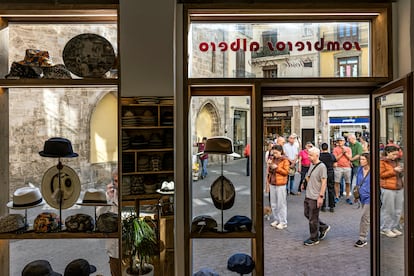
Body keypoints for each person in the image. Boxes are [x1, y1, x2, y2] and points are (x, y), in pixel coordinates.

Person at [302, 147, 330, 246]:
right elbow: (308, 176)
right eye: (308, 154)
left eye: (310, 155)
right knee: (307, 214)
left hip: (315, 196)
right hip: (308, 194)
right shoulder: (311, 164)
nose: (308, 157)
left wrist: (320, 196)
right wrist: (304, 183)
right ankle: (323, 227)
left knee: (313, 218)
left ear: (317, 156)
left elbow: (324, 182)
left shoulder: (322, 167)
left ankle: (314, 238)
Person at [97, 167, 121, 276]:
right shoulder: (109, 195)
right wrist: (108, 200)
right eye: (115, 181)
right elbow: (99, 215)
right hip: (113, 250)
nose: (118, 184)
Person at [380, 145, 404, 238]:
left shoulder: (397, 161)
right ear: (388, 153)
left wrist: (401, 171)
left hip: (398, 187)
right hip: (388, 188)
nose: (395, 156)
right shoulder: (382, 162)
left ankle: (393, 226)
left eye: (396, 154)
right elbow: (381, 175)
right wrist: (394, 171)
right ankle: (385, 228)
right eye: (394, 154)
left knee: (398, 210)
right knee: (388, 209)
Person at [267, 145, 290, 230]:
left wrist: (277, 168)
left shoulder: (285, 160)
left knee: (281, 203)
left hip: (281, 184)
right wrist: (270, 166)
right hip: (273, 182)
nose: (274, 155)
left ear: (280, 152)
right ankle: (276, 219)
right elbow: (270, 171)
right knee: (273, 203)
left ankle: (283, 222)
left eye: (276, 153)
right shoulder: (273, 159)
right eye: (273, 153)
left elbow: (286, 172)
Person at [354, 153, 371, 248]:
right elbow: (357, 183)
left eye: (363, 159)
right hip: (362, 196)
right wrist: (356, 196)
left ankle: (362, 238)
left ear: (368, 160)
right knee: (368, 217)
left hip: (370, 197)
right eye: (360, 159)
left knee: (364, 217)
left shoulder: (373, 170)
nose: (361, 161)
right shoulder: (360, 169)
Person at [333, 136, 353, 205]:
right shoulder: (335, 149)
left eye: (341, 141)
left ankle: (347, 197)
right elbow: (335, 159)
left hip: (347, 167)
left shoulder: (348, 149)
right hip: (338, 167)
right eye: (339, 141)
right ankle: (337, 196)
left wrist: (345, 153)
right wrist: (342, 153)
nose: (340, 142)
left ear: (344, 142)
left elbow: (350, 158)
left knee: (348, 182)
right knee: (337, 182)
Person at [319, 142, 337, 212]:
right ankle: (331, 206)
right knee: (331, 189)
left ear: (321, 148)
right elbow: (335, 165)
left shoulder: (319, 156)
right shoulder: (331, 155)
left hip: (322, 174)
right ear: (327, 148)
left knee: (322, 190)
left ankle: (323, 206)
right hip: (330, 173)